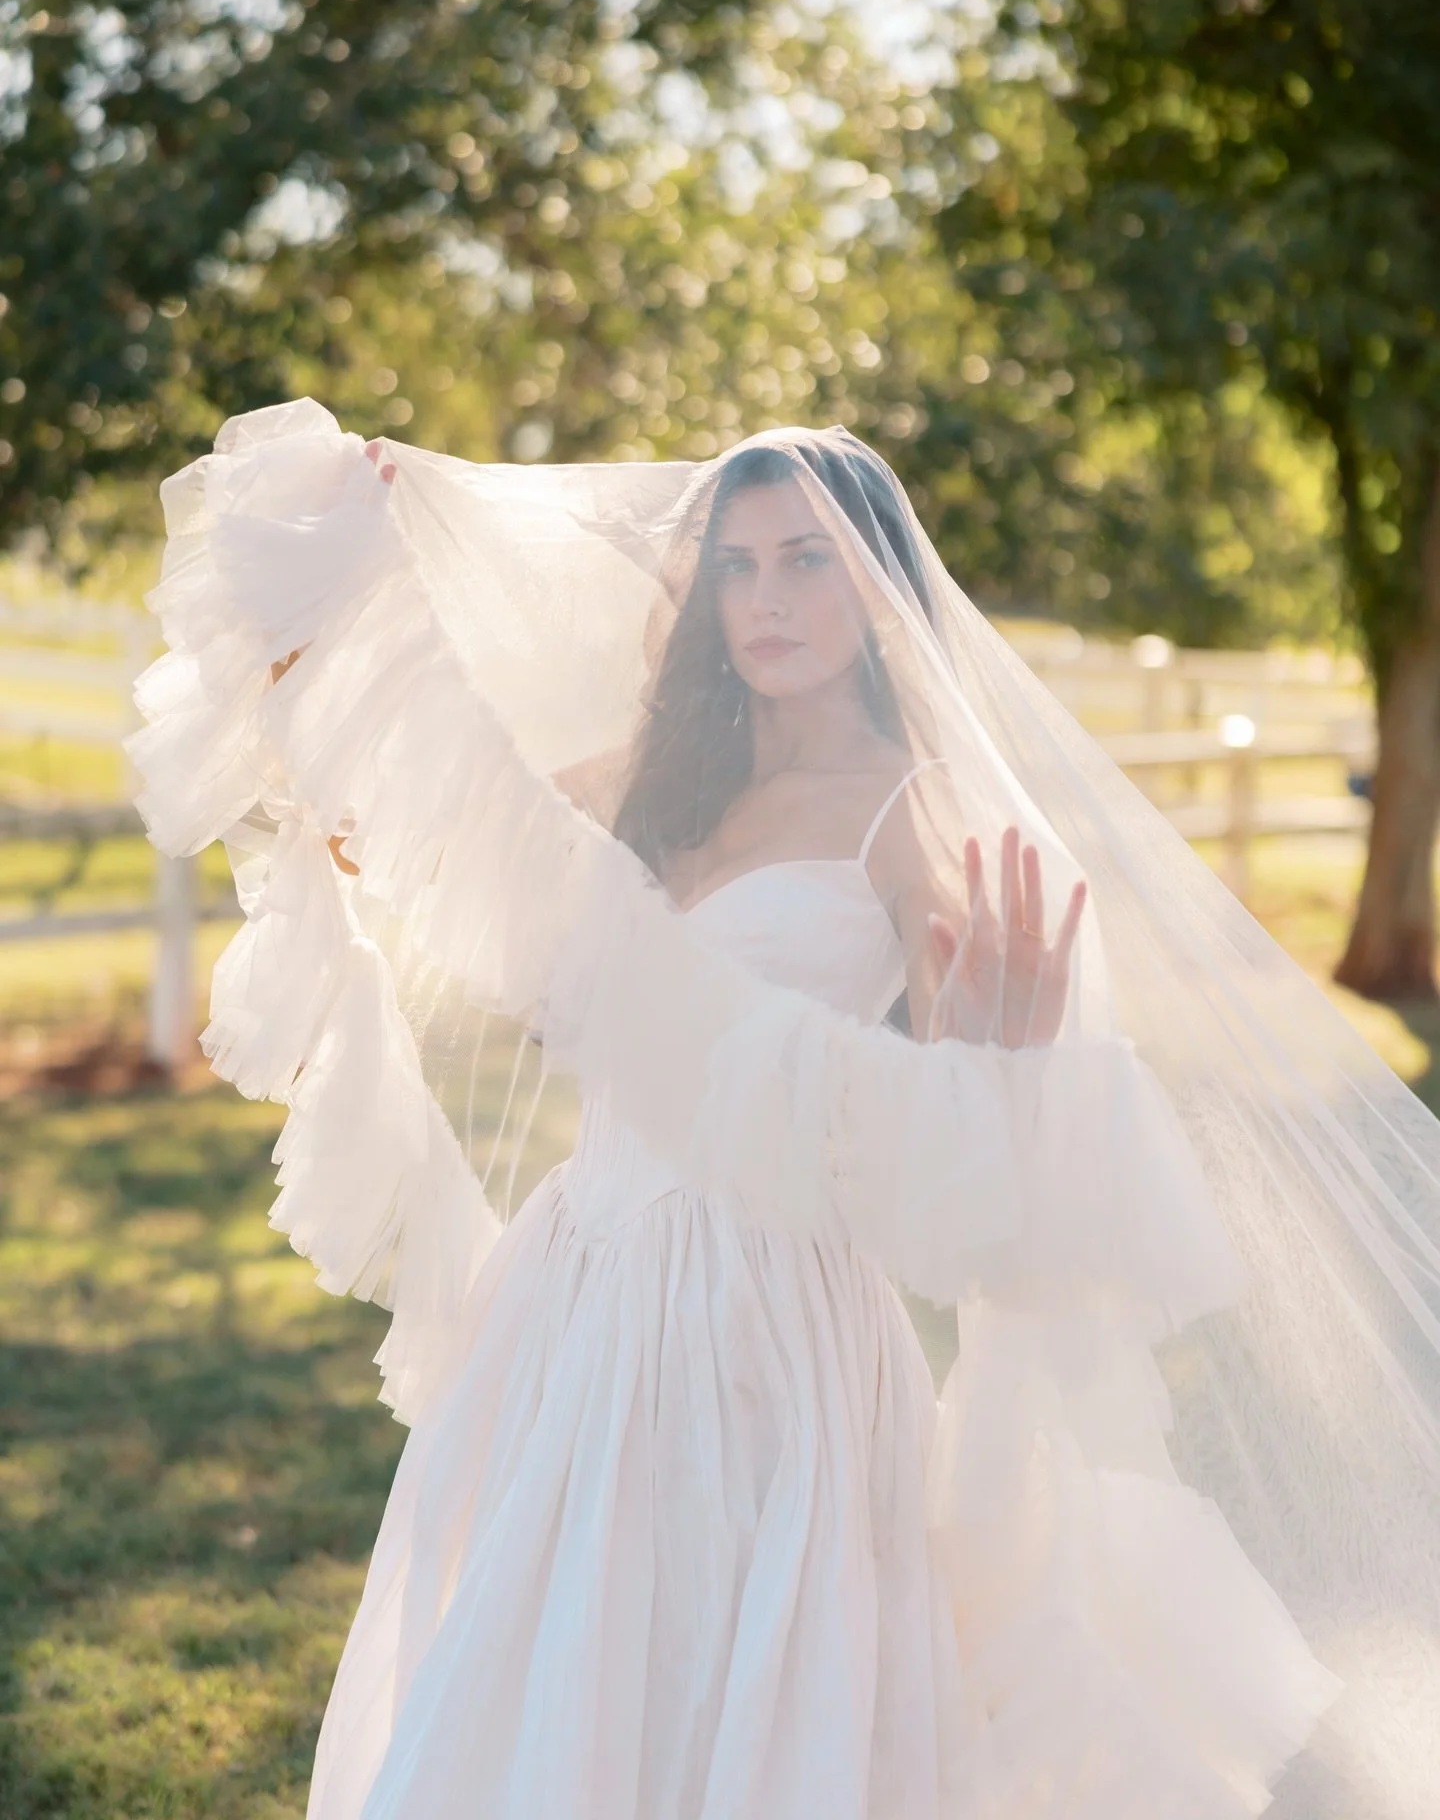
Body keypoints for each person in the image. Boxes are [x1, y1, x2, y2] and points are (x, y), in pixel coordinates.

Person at [131, 400, 1440, 1819]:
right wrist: (371, 555)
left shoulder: (909, 813)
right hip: (579, 1283)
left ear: (879, 590)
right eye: (738, 565)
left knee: (729, 1676)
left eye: (807, 560)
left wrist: (1000, 1054)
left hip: (762, 1316)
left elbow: (959, 1143)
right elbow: (436, 843)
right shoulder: (660, 777)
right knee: (546, 1657)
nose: (767, 600)